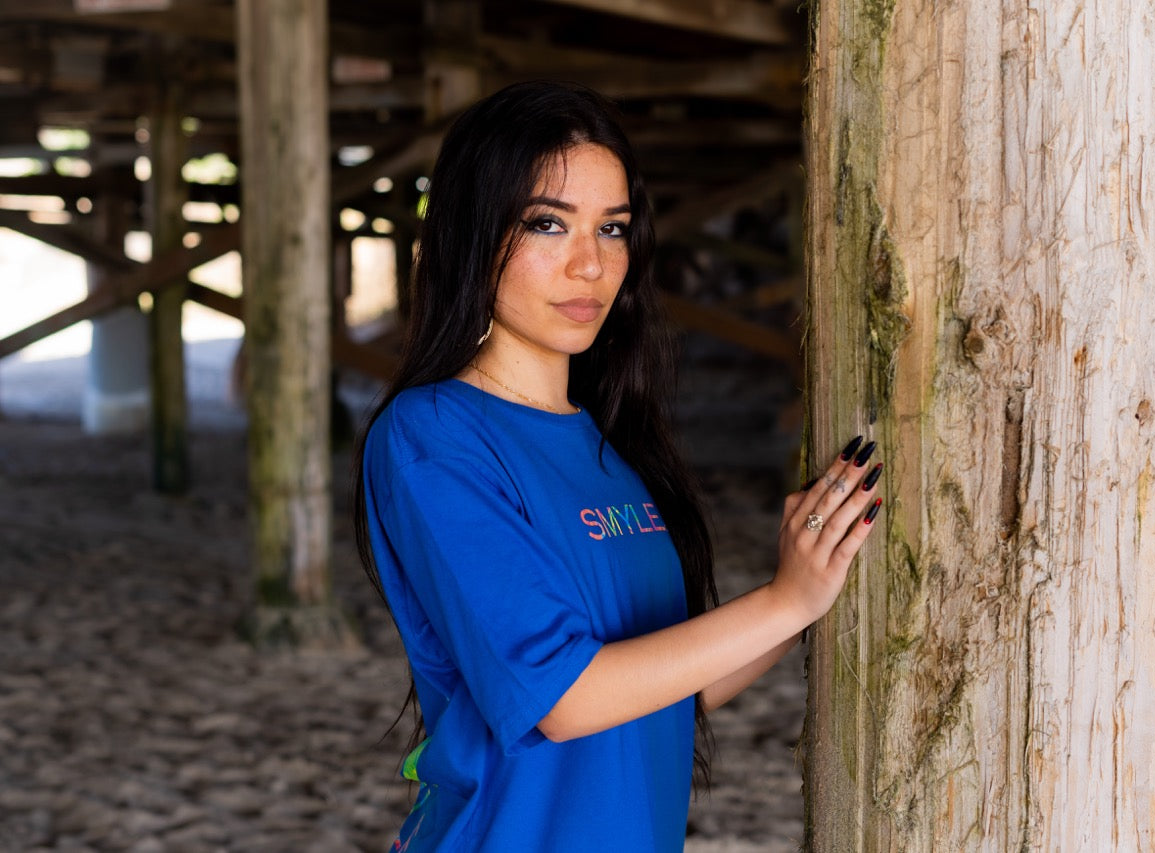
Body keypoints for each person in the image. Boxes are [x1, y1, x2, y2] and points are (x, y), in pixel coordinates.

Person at [353, 81, 884, 852]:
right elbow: (563, 697)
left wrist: (805, 587)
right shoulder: (432, 434)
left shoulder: (611, 447)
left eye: (612, 228)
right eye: (546, 224)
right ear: (474, 232)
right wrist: (779, 601)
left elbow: (671, 687)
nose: (591, 264)